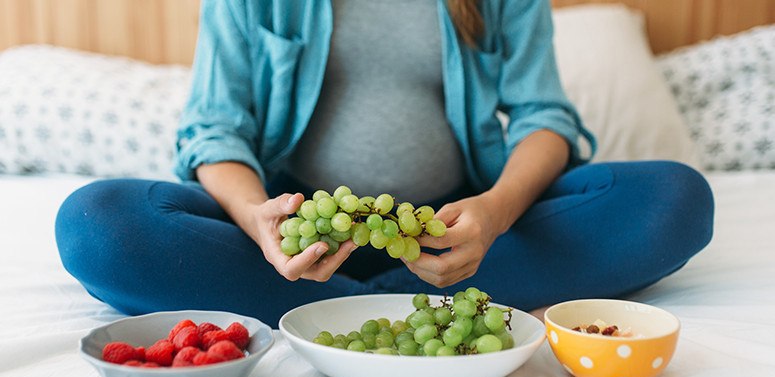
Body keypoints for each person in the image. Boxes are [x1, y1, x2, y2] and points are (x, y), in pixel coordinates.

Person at [55, 0, 714, 328]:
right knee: (96, 223)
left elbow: (545, 119)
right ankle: (405, 307)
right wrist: (257, 219)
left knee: (673, 199)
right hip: (291, 228)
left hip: (461, 228)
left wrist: (493, 211)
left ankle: (320, 313)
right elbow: (214, 130)